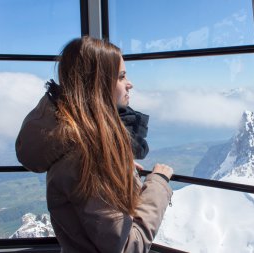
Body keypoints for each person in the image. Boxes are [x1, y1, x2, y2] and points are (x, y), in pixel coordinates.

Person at [15, 36, 173, 253]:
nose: (130, 83)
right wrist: (158, 185)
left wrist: (121, 170)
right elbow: (126, 247)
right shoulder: (89, 155)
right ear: (98, 84)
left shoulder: (71, 140)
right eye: (121, 76)